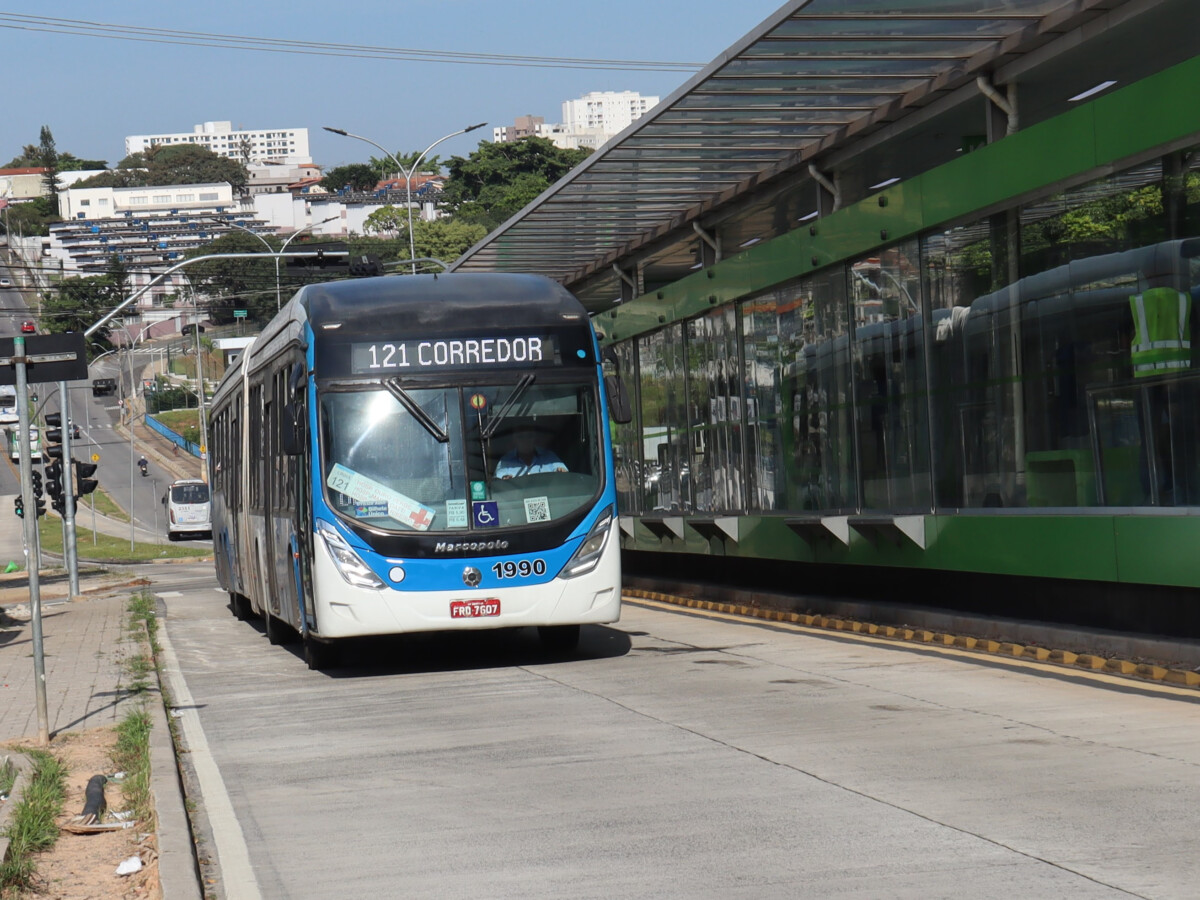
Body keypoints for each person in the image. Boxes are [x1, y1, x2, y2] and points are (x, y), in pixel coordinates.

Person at [495, 429, 567, 479]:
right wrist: (505, 481)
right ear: (514, 440)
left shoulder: (549, 457)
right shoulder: (505, 462)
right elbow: (498, 484)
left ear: (535, 439)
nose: (525, 440)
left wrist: (561, 472)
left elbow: (565, 475)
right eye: (521, 437)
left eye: (529, 436)